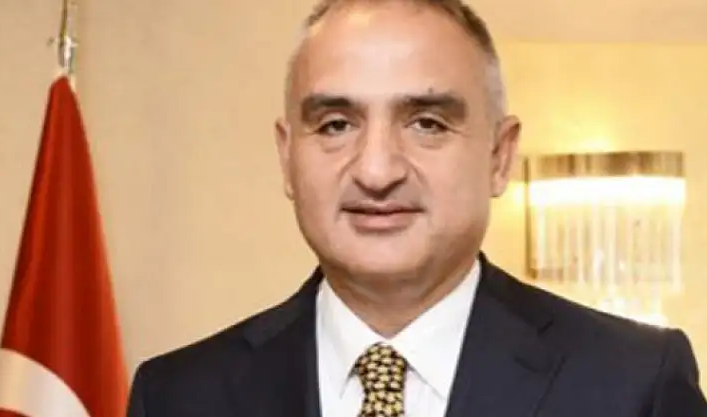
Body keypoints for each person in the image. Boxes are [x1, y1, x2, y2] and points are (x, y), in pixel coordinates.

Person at [126, 0, 707, 416]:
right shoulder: (179, 395)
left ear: (499, 156)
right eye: (335, 124)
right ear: (287, 157)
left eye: (427, 123)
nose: (377, 171)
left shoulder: (633, 384)